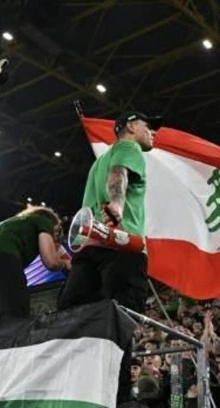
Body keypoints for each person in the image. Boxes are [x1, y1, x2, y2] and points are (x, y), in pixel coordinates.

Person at [57, 111, 161, 314]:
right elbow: (119, 173)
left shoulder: (98, 163)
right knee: (125, 315)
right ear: (131, 126)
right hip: (121, 243)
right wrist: (117, 203)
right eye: (148, 126)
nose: (153, 132)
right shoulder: (129, 147)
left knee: (76, 316)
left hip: (89, 247)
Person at [0, 205, 67, 325]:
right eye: (56, 233)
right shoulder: (43, 220)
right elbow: (51, 262)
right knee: (16, 317)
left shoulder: (12, 225)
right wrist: (65, 263)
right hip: (1, 256)